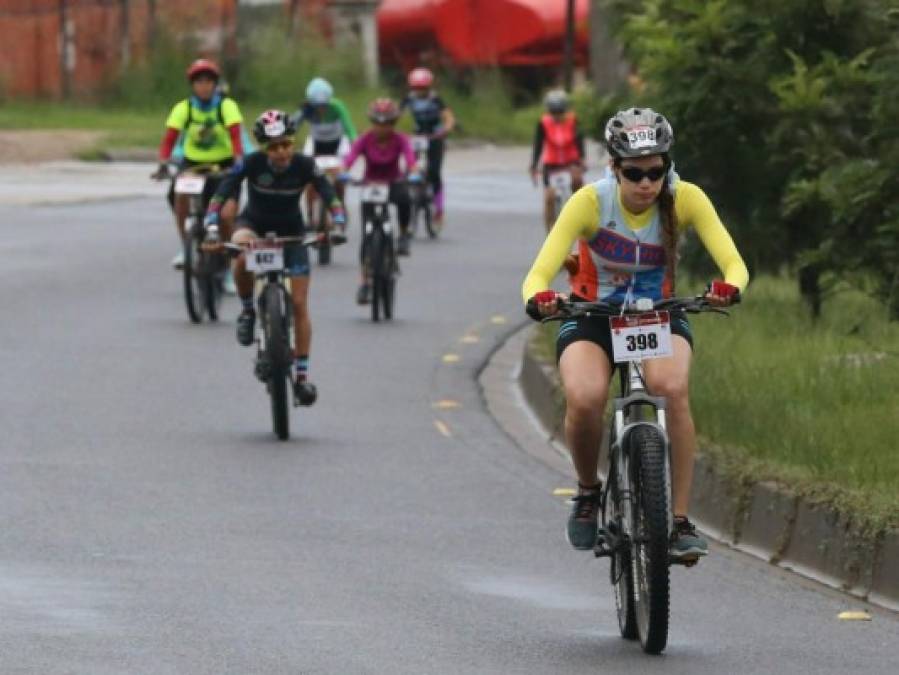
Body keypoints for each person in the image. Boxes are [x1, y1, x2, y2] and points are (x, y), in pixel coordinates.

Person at [522, 107, 748, 562]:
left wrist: (728, 288)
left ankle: (680, 521)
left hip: (656, 314)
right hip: (592, 314)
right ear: (613, 167)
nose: (646, 184)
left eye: (655, 172)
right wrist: (541, 297)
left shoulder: (686, 198)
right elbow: (539, 272)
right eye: (634, 173)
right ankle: (588, 491)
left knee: (671, 388)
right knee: (585, 399)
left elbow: (734, 263)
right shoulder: (589, 202)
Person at [203, 110, 345, 406]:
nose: (281, 152)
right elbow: (223, 192)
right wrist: (213, 228)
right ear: (264, 148)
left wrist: (338, 224)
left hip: (292, 232)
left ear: (293, 142)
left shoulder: (306, 165)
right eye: (273, 147)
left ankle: (303, 377)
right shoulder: (251, 163)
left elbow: (329, 194)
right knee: (241, 252)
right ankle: (246, 311)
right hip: (253, 225)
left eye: (285, 145)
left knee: (299, 304)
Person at [152, 58, 244, 271]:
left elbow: (236, 136)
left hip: (224, 165)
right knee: (180, 197)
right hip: (193, 164)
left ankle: (230, 265)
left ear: (215, 84)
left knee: (227, 216)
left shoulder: (226, 106)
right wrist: (163, 163)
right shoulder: (184, 108)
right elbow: (169, 139)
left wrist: (238, 161)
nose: (204, 86)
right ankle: (187, 245)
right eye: (199, 82)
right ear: (193, 85)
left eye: (208, 81)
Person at [342, 98, 419, 304]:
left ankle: (403, 234)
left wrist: (413, 172)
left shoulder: (401, 140)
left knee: (405, 198)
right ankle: (364, 281)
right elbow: (349, 159)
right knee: (367, 236)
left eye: (387, 123)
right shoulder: (365, 140)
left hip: (393, 182)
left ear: (393, 123)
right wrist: (343, 172)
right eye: (378, 123)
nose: (382, 128)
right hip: (370, 185)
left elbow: (411, 160)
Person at [293, 77, 358, 242]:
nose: (321, 109)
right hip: (316, 144)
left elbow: (349, 128)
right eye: (318, 106)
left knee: (339, 177)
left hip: (337, 144)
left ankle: (340, 204)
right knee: (308, 178)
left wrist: (355, 146)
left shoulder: (337, 106)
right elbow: (292, 126)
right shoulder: (307, 109)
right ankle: (309, 215)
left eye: (324, 105)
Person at [400, 67, 455, 227]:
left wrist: (447, 128)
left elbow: (448, 116)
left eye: (423, 88)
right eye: (416, 88)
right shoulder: (409, 99)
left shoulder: (435, 99)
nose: (420, 92)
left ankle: (438, 209)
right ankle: (410, 198)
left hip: (435, 136)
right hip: (418, 135)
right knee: (410, 169)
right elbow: (398, 114)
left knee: (434, 172)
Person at [529, 89, 586, 233]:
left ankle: (581, 217)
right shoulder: (543, 123)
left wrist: (582, 159)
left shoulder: (573, 120)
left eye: (560, 112)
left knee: (578, 181)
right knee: (549, 196)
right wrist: (534, 165)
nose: (557, 116)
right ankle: (549, 230)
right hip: (552, 163)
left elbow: (579, 140)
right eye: (554, 113)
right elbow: (538, 144)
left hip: (570, 160)